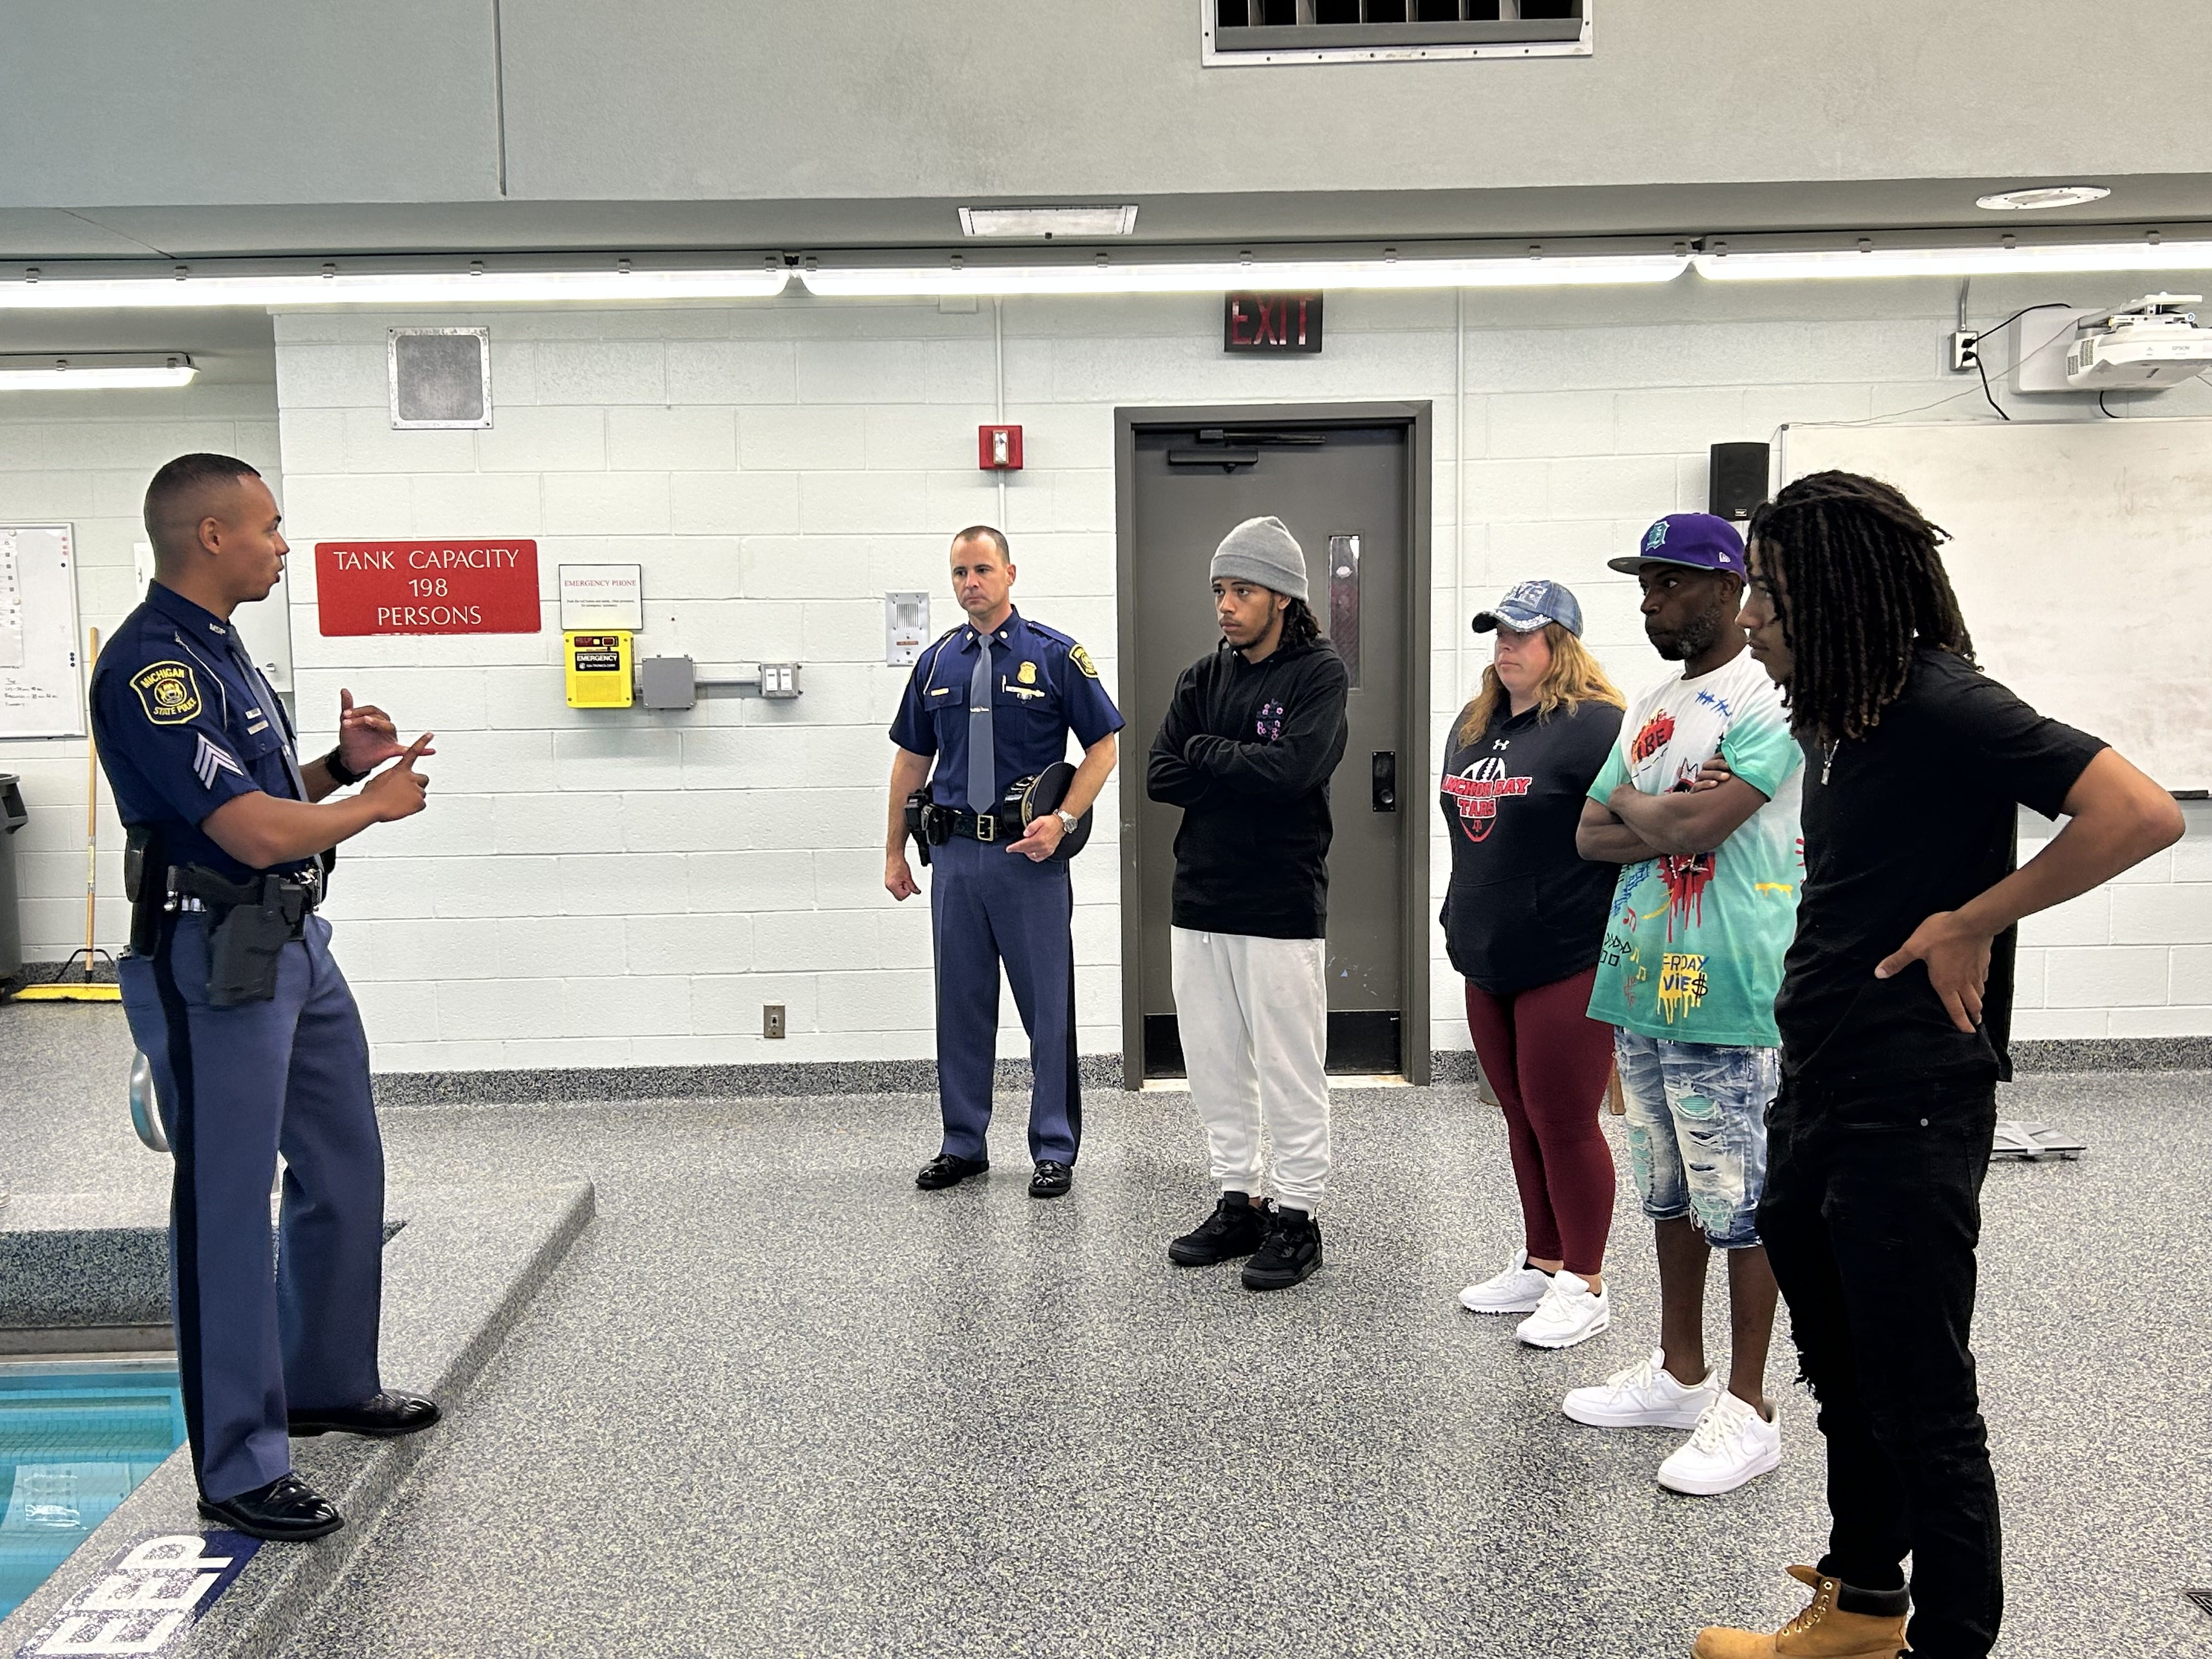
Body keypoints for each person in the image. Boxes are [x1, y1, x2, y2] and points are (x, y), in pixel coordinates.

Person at [1693, 472, 2183, 1659]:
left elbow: (2138, 811)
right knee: (1847, 1375)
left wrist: (1975, 920)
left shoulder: (1941, 697)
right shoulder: (1848, 708)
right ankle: (1864, 1606)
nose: (1753, 617)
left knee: (1926, 1403)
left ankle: (1950, 1644)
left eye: (1775, 594)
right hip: (1822, 1083)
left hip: (1910, 1102)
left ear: (1843, 594)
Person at [95, 454, 442, 1543]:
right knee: (228, 1206)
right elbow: (246, 832)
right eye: (271, 528)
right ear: (212, 537)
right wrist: (376, 806)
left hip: (292, 943)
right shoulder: (153, 667)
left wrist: (339, 765)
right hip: (213, 964)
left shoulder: (220, 648)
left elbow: (259, 796)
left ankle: (326, 1380)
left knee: (345, 1164)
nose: (284, 545)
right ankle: (240, 1462)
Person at [1567, 512, 1800, 1498]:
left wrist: (1652, 812)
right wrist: (1656, 814)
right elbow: (1588, 831)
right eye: (1643, 583)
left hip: (1730, 983)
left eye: (1666, 582)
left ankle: (1748, 1408)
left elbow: (1707, 819)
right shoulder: (1654, 702)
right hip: (1642, 975)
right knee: (1667, 1189)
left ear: (1726, 587)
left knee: (1737, 1201)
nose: (1647, 598)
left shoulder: (1771, 696)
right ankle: (1678, 1368)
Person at [885, 527, 1122, 1199]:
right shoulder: (936, 664)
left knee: (1048, 1008)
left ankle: (1053, 1146)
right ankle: (964, 1143)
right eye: (959, 572)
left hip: (1030, 861)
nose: (970, 583)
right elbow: (910, 761)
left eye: (982, 569)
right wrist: (894, 849)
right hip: (956, 858)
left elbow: (1104, 744)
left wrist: (1066, 819)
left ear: (1010, 573)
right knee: (960, 1006)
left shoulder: (1054, 657)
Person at [1146, 517, 1349, 1291]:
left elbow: (1293, 772)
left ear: (1284, 597)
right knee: (1213, 1063)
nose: (1226, 605)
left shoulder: (1318, 675)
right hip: (1199, 896)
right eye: (1221, 590)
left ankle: (1297, 1216)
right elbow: (1163, 772)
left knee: (1289, 1066)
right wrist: (1232, 762)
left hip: (1279, 901)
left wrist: (1209, 753)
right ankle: (1239, 1198)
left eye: (1243, 591)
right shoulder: (1204, 677)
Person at [1442, 580, 1627, 1349]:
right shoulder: (1474, 723)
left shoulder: (1601, 728)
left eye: (1524, 633)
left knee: (1564, 1121)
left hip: (1567, 956)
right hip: (1488, 954)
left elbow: (1641, 828)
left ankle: (1586, 1282)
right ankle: (1544, 1260)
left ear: (1565, 644)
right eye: (1499, 633)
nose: (1506, 645)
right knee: (1520, 1116)